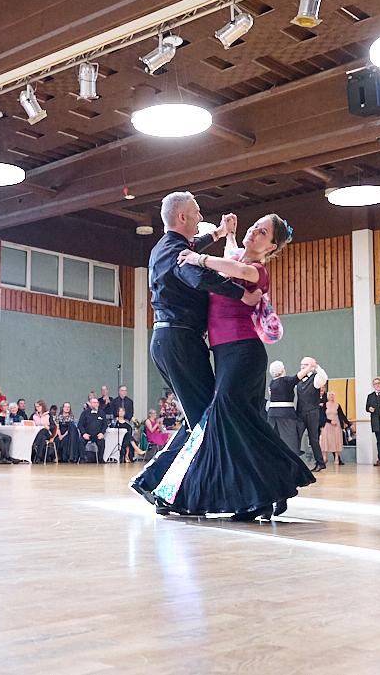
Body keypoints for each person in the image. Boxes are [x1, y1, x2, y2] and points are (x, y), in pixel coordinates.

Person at [134, 212, 314, 520]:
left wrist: (198, 259)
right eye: (255, 226)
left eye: (262, 233)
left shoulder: (255, 270)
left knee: (223, 416)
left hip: (245, 353)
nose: (254, 232)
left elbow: (234, 267)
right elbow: (228, 257)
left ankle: (266, 483)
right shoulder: (232, 259)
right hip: (224, 354)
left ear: (270, 247)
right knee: (237, 425)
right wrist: (220, 233)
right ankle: (259, 496)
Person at [295, 357, 329, 471]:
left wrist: (316, 367)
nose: (302, 366)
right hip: (300, 413)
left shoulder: (316, 379)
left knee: (313, 438)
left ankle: (320, 463)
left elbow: (324, 378)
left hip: (312, 412)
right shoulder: (299, 378)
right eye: (301, 364)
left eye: (305, 364)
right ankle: (295, 462)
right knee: (296, 436)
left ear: (311, 366)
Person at [266, 360, 302, 456]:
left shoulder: (272, 383)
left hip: (272, 413)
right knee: (290, 439)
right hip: (285, 414)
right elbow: (298, 376)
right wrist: (309, 367)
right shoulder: (286, 381)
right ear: (282, 370)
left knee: (272, 438)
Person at [320, 391, 352, 466]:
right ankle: (325, 457)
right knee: (326, 440)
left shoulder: (337, 405)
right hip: (327, 425)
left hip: (336, 425)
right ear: (327, 396)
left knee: (336, 441)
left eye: (333, 395)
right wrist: (330, 421)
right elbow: (322, 416)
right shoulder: (325, 405)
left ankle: (337, 458)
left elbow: (342, 415)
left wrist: (348, 423)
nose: (331, 396)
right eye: (330, 395)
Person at [78, 397, 106, 463]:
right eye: (94, 402)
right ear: (90, 404)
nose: (96, 404)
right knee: (81, 441)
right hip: (87, 434)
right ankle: (82, 458)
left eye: (97, 403)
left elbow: (105, 424)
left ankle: (100, 459)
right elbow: (80, 425)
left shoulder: (102, 413)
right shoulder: (84, 413)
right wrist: (84, 433)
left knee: (102, 442)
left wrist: (102, 433)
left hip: (97, 435)